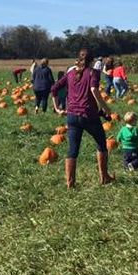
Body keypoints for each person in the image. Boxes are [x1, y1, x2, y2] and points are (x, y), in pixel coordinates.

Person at [50, 48, 114, 188]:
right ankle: (104, 177)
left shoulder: (70, 73)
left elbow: (54, 89)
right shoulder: (93, 73)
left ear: (78, 59)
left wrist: (57, 108)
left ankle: (70, 184)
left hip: (72, 116)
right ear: (91, 61)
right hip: (89, 115)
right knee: (102, 144)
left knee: (73, 149)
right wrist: (105, 108)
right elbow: (93, 90)